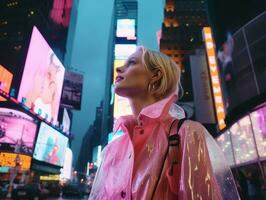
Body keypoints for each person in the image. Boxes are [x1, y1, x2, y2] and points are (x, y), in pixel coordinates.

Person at [89, 46, 238, 199]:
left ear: (156, 75)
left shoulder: (186, 133)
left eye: (132, 63)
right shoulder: (114, 148)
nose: (119, 68)